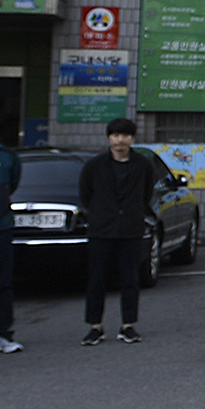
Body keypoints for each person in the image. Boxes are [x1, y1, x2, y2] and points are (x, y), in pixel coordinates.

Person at [78, 118, 163, 345]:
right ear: (109, 138)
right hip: (101, 230)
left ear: (132, 138)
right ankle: (95, 326)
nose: (120, 140)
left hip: (131, 230)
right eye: (115, 135)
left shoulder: (143, 165)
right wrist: (101, 213)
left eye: (125, 135)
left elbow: (147, 193)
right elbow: (86, 195)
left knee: (130, 279)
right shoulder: (95, 166)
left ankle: (128, 325)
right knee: (97, 279)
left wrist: (134, 212)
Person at [0, 131, 19, 353]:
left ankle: (2, 334)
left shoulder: (6, 156)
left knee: (2, 283)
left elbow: (12, 184)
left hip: (0, 228)